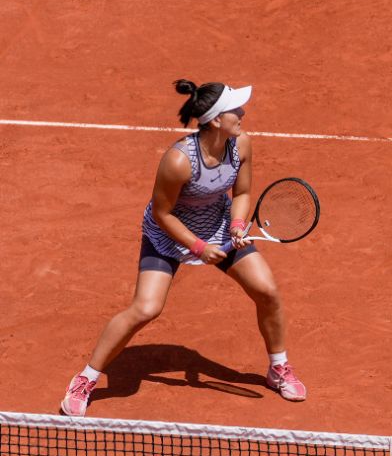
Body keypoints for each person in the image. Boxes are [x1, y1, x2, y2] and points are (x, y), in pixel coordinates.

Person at [60, 79, 306, 416]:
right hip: (169, 234)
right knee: (146, 308)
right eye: (236, 109)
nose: (243, 113)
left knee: (267, 291)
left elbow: (243, 193)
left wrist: (236, 226)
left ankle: (278, 368)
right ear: (216, 119)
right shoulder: (179, 161)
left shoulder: (242, 144)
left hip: (219, 227)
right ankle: (86, 379)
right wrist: (198, 247)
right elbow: (162, 213)